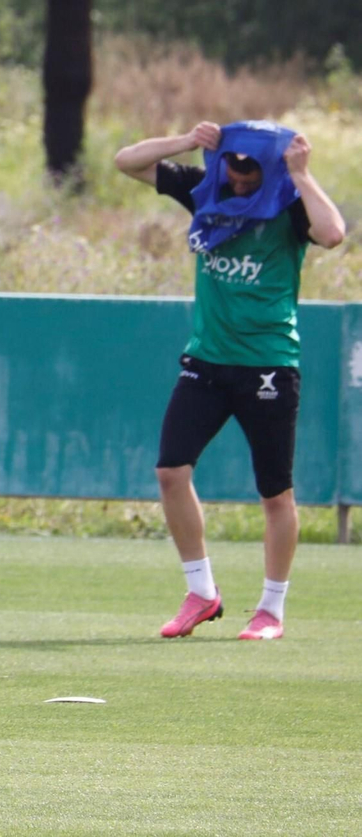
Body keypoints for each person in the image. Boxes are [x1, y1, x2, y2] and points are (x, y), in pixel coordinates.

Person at [114, 121, 345, 641]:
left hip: (269, 364)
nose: (241, 182)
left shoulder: (288, 202)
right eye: (234, 170)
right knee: (171, 471)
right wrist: (186, 142)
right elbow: (126, 161)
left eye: (250, 173)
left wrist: (301, 173)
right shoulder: (207, 192)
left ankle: (271, 610)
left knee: (274, 495)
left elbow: (332, 234)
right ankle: (202, 592)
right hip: (206, 363)